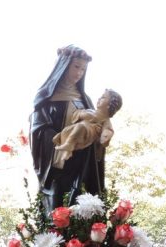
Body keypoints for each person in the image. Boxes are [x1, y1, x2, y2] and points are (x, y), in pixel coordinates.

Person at [31, 45, 112, 213]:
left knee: (82, 205)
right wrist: (61, 141)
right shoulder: (46, 97)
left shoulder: (85, 99)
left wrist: (99, 136)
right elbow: (38, 130)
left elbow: (101, 124)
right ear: (64, 64)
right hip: (58, 162)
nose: (79, 73)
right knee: (57, 209)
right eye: (76, 67)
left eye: (83, 69)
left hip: (82, 162)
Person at [52, 89, 122, 166]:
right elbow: (76, 115)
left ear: (109, 105)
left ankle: (68, 145)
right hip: (74, 131)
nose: (99, 98)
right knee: (70, 129)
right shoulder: (90, 111)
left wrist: (105, 136)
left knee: (81, 126)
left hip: (86, 135)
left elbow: (108, 130)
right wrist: (81, 114)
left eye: (103, 97)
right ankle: (67, 150)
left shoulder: (106, 119)